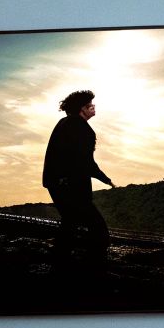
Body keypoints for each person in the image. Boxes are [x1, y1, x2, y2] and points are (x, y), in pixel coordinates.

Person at [41, 90, 113, 256]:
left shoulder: (63, 123)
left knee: (70, 223)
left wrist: (104, 178)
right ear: (82, 109)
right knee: (98, 230)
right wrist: (104, 178)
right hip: (70, 185)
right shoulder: (83, 130)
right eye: (90, 106)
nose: (93, 107)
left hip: (56, 182)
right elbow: (84, 161)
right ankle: (93, 267)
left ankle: (61, 260)